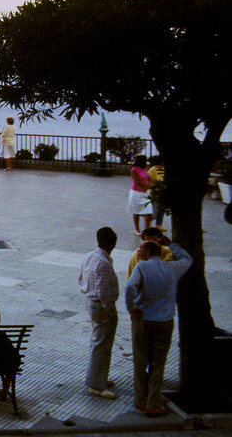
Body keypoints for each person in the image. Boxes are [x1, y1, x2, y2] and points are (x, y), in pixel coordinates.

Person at [125, 236, 192, 417]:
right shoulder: (172, 268)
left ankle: (140, 399)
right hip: (164, 320)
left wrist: (132, 308)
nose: (138, 251)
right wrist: (172, 245)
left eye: (140, 249)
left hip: (143, 318)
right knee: (158, 361)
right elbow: (188, 259)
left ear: (148, 252)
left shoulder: (142, 267)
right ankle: (153, 401)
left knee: (140, 360)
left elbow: (130, 287)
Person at [79, 226, 119, 399]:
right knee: (102, 344)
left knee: (99, 343)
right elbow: (103, 291)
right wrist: (109, 309)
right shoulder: (103, 263)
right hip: (101, 305)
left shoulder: (90, 256)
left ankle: (99, 377)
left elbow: (80, 278)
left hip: (91, 301)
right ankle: (96, 385)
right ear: (113, 244)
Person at [129, 155, 153, 235]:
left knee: (149, 212)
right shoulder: (134, 170)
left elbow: (149, 178)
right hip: (136, 192)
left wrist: (150, 185)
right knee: (136, 211)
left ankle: (147, 230)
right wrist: (147, 187)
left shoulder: (145, 169)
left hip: (145, 192)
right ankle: (137, 229)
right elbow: (137, 181)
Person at [148, 156, 167, 226]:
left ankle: (159, 225)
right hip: (156, 192)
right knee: (155, 210)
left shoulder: (164, 169)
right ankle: (148, 223)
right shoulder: (152, 170)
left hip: (163, 191)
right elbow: (149, 181)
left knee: (162, 209)